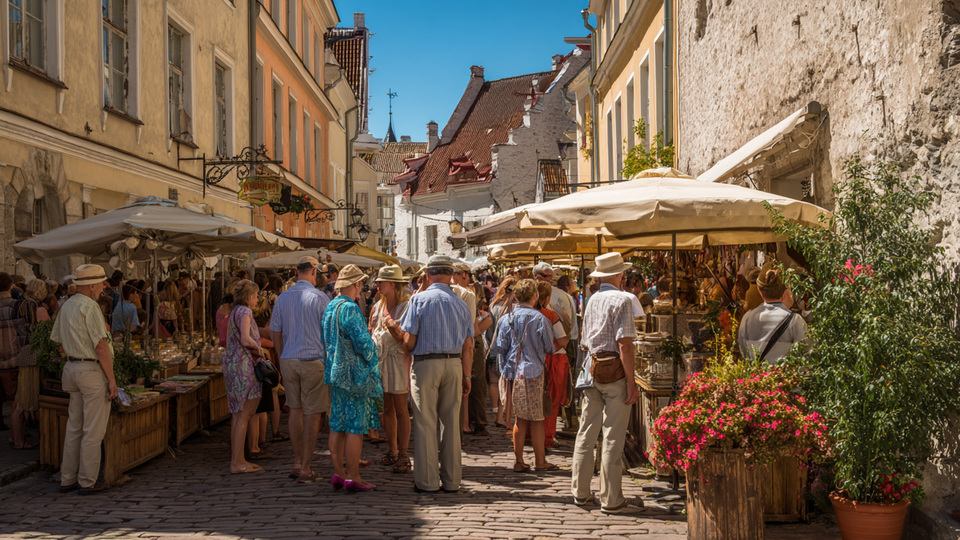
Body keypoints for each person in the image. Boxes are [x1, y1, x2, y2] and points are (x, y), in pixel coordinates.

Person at [391, 255, 474, 493]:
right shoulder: (460, 302)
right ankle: (452, 480)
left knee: (425, 422)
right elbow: (468, 345)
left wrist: (401, 338)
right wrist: (467, 376)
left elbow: (409, 342)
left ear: (428, 274)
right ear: (450, 275)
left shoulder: (418, 300)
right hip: (454, 364)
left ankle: (427, 482)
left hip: (426, 363)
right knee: (450, 424)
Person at [571, 252, 643, 514]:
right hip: (615, 374)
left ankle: (580, 491)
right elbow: (625, 343)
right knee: (612, 436)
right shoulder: (623, 299)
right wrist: (631, 382)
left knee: (586, 433)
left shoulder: (591, 300)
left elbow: (584, 338)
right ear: (620, 275)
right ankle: (611, 499)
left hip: (591, 370)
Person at [52, 265, 119, 493]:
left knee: (75, 427)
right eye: (101, 283)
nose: (102, 288)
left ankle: (67, 478)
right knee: (92, 430)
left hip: (71, 368)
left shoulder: (66, 305)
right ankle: (87, 481)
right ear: (92, 285)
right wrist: (111, 379)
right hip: (89, 370)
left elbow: (60, 344)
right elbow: (101, 347)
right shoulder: (90, 307)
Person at [270, 256, 330, 483]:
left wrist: (281, 353)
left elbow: (275, 330)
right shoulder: (320, 297)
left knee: (294, 410)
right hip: (313, 359)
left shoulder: (283, 298)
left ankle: (297, 460)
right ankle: (306, 466)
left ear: (297, 272)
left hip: (289, 358)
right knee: (313, 413)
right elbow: (328, 331)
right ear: (314, 272)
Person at [322, 265, 382, 492]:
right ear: (356, 284)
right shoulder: (350, 308)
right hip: (353, 375)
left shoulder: (330, 307)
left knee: (337, 423)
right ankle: (353, 475)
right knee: (355, 426)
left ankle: (339, 472)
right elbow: (363, 343)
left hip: (334, 372)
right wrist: (375, 350)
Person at [490, 279, 558, 473]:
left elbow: (499, 347)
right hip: (533, 371)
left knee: (520, 419)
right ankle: (540, 460)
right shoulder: (540, 319)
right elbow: (549, 347)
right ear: (534, 296)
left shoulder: (506, 319)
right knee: (537, 419)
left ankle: (519, 460)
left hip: (513, 372)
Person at [367, 265, 413, 473]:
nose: (376, 285)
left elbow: (403, 338)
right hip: (381, 362)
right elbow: (371, 332)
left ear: (392, 284)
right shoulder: (377, 306)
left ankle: (403, 453)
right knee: (386, 408)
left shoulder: (406, 306)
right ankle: (392, 450)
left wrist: (389, 323)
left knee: (401, 409)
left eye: (380, 282)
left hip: (398, 361)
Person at [222, 280, 265, 474]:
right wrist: (259, 349)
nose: (257, 300)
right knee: (244, 414)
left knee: (237, 414)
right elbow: (246, 338)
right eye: (256, 296)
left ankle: (237, 459)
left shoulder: (234, 312)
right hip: (245, 367)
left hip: (232, 365)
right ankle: (238, 462)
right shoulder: (245, 312)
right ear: (249, 296)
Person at [737, 263, 807, 364]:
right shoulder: (795, 321)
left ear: (759, 291)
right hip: (785, 377)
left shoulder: (747, 319)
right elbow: (804, 357)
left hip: (758, 378)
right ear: (786, 291)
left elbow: (745, 354)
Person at [536, 281, 570, 449]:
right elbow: (562, 339)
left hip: (533, 360)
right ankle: (547, 436)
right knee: (551, 400)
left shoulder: (523, 312)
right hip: (554, 360)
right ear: (547, 297)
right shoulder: (550, 315)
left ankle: (532, 435)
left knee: (535, 401)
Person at [486, 276, 518, 429]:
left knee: (495, 381)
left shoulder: (493, 305)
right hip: (508, 350)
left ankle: (497, 412)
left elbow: (489, 330)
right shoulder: (513, 307)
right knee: (509, 385)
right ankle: (506, 418)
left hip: (494, 348)